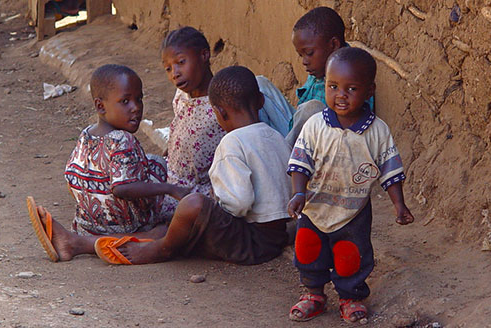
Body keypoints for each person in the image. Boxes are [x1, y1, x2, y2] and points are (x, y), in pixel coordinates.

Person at [69, 65, 292, 266]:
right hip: (276, 236)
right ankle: (150, 239)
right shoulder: (276, 136)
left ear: (220, 113)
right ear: (261, 102)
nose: (136, 107)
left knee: (193, 206)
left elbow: (239, 204)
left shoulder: (232, 143)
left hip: (249, 242)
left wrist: (212, 208)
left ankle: (161, 249)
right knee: (181, 217)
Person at [285, 47, 415, 324]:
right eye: (333, 87)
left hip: (353, 211)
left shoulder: (377, 131)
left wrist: (399, 204)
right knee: (309, 249)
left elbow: (390, 170)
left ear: (369, 91)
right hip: (314, 207)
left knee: (350, 256)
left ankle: (349, 297)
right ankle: (314, 294)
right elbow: (300, 162)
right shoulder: (315, 126)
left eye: (351, 88)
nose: (340, 95)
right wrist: (298, 192)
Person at [26, 64, 190, 262]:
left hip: (88, 222)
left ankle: (81, 239)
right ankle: (79, 244)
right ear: (100, 106)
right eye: (125, 101)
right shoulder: (122, 140)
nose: (136, 107)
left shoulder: (86, 134)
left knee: (152, 162)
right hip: (126, 225)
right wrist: (169, 189)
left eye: (139, 99)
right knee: (168, 230)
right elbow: (122, 188)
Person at [285, 6, 374, 146]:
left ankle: (283, 160)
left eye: (309, 53)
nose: (304, 61)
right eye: (301, 55)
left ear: (333, 44)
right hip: (296, 132)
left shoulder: (353, 69)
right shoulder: (320, 67)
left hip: (330, 145)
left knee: (311, 109)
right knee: (261, 86)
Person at [160, 26, 225, 197]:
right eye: (168, 68)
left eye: (181, 62)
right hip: (173, 178)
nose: (175, 74)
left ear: (204, 55)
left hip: (198, 192)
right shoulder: (181, 96)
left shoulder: (223, 103)